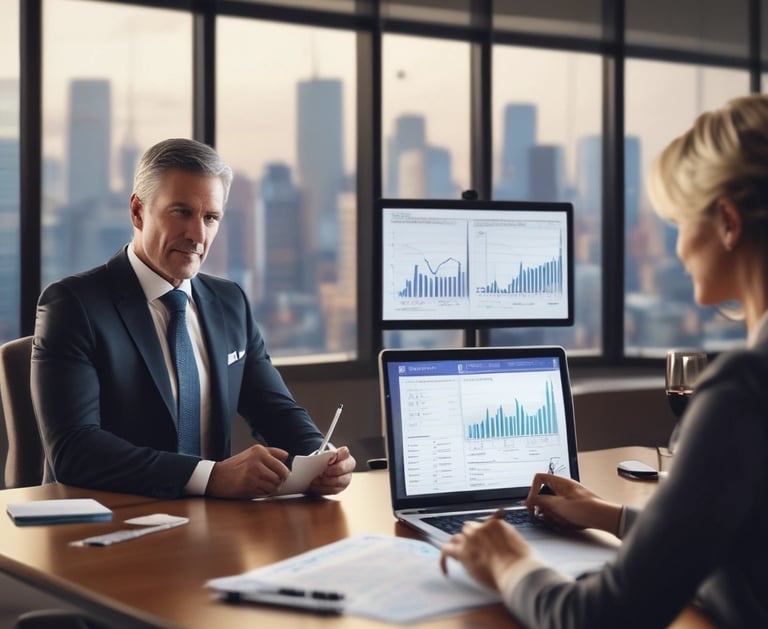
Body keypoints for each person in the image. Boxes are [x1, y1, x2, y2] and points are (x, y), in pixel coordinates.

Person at [440, 93, 768, 628]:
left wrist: (507, 561)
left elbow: (601, 617)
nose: (679, 247)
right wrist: (608, 515)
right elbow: (741, 538)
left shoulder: (743, 388)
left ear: (728, 222)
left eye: (679, 222)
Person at [31, 138, 356, 500]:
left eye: (210, 217)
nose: (197, 235)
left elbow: (275, 410)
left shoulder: (230, 302)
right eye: (181, 212)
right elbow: (74, 450)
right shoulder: (73, 306)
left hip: (213, 525)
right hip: (107, 521)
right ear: (138, 211)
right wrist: (211, 476)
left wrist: (320, 458)